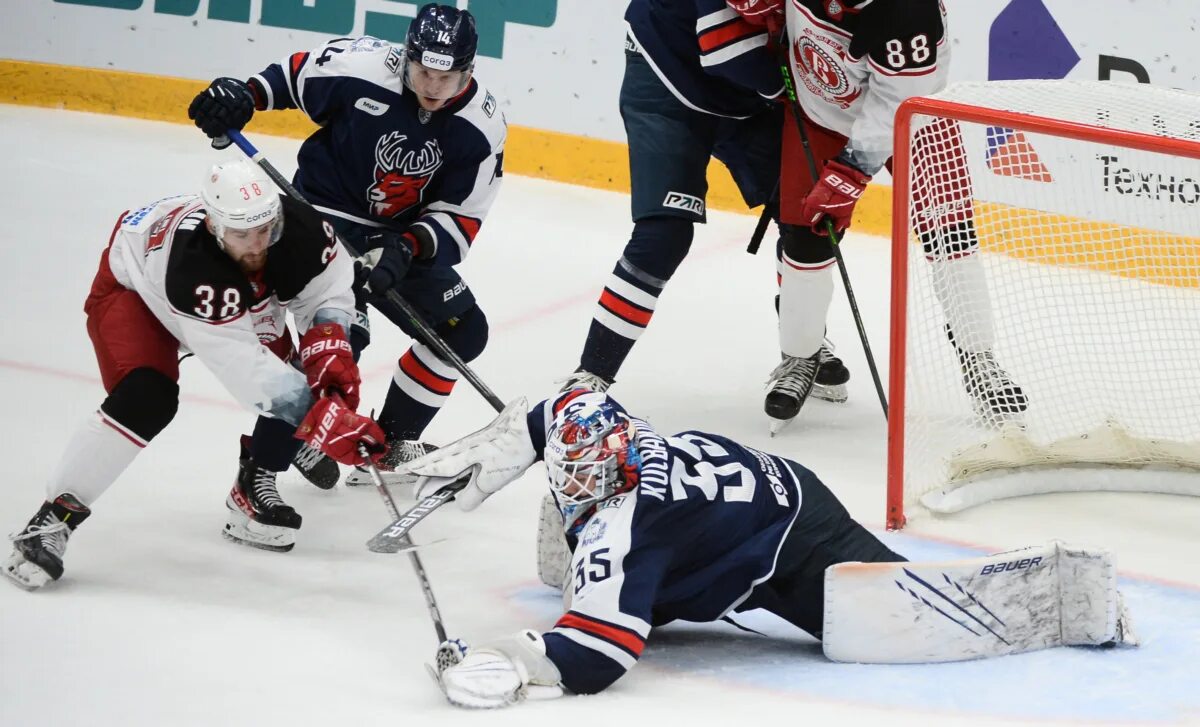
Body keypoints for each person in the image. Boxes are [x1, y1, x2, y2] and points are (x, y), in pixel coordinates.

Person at [394, 391, 1132, 707]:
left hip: (790, 539)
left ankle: (1071, 594)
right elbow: (548, 408)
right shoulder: (609, 425)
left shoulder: (628, 522)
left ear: (617, 459)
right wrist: (482, 460)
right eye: (570, 467)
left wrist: (518, 661)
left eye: (590, 471)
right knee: (628, 569)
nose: (577, 481)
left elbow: (600, 658)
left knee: (905, 610)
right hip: (747, 499)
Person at [2, 161, 387, 591]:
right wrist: (324, 423)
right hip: (135, 291)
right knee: (147, 398)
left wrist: (330, 355)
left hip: (231, 294)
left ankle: (253, 485)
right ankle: (53, 518)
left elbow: (330, 290)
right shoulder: (192, 266)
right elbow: (250, 375)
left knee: (321, 362)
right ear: (213, 226)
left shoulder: (299, 227)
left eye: (264, 228)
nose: (258, 245)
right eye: (242, 234)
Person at [187, 3, 507, 487]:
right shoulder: (361, 65)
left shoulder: (483, 127)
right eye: (422, 71)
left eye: (447, 77)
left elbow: (461, 219)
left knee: (462, 331)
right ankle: (257, 477)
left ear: (469, 69)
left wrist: (407, 248)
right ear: (407, 56)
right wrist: (242, 95)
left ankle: (389, 445)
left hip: (395, 239)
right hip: (319, 220)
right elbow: (291, 78)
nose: (432, 87)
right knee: (337, 342)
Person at [726, 0, 1027, 425]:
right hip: (820, 114)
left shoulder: (910, 12)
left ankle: (979, 359)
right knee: (805, 240)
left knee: (951, 234)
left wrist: (850, 173)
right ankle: (800, 357)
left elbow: (896, 104)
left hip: (916, 118)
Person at [558, 0, 851, 411]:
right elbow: (724, 47)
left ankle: (801, 343)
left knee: (804, 211)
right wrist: (790, 89)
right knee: (664, 235)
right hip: (668, 72)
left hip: (743, 91)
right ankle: (591, 374)